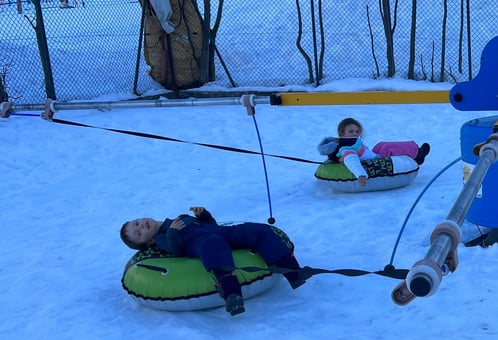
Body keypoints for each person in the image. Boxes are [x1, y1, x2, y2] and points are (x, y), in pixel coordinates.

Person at [120, 206, 307, 316]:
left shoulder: (179, 218)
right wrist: (173, 233)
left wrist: (204, 216)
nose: (141, 226)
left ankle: (291, 271)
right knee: (213, 245)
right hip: (201, 243)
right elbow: (175, 249)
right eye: (139, 233)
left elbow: (211, 227)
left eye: (137, 222)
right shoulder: (161, 238)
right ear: (149, 241)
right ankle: (231, 292)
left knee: (257, 230)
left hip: (220, 232)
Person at [317, 117, 431, 187]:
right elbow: (351, 159)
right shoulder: (346, 147)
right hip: (374, 160)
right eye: (351, 131)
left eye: (357, 131)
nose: (355, 134)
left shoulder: (350, 142)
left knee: (381, 145)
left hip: (369, 154)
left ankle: (416, 149)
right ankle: (417, 156)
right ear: (342, 133)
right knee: (387, 149)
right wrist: (360, 175)